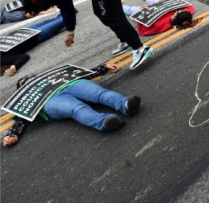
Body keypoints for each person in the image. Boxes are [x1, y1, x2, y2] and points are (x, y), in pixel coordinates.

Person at [19, 0, 153, 70]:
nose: (49, 5)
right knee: (102, 13)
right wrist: (70, 33)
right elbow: (67, 9)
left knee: (110, 15)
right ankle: (126, 40)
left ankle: (140, 48)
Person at [2, 62, 141, 147]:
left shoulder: (53, 75)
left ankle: (126, 105)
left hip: (70, 84)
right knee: (77, 109)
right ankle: (105, 122)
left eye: (30, 77)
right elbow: (23, 115)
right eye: (24, 81)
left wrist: (103, 67)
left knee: (99, 94)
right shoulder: (26, 96)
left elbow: (78, 74)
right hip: (49, 100)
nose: (28, 79)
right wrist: (13, 134)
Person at [112, 0, 195, 56]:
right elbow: (189, 8)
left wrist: (144, 11)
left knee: (128, 10)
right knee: (154, 0)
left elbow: (143, 28)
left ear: (175, 18)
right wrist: (164, 1)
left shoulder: (159, 25)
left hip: (149, 12)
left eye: (176, 13)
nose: (176, 12)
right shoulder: (184, 15)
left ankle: (121, 3)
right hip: (160, 8)